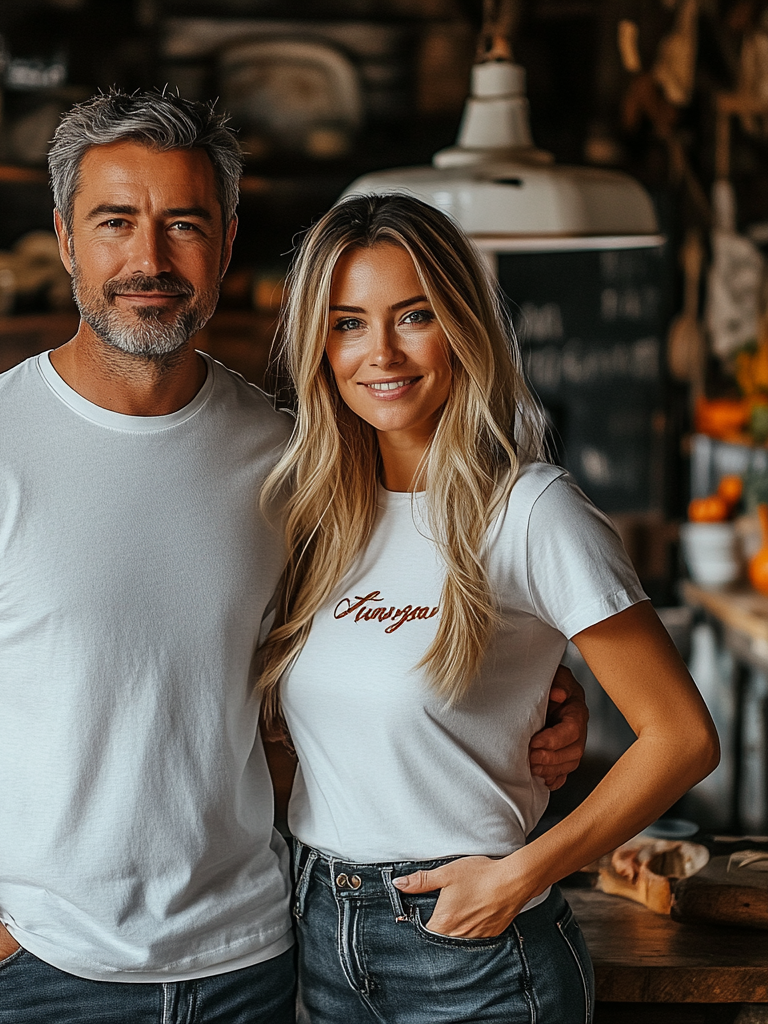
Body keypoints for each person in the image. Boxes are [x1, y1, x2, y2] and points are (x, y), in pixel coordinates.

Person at [0, 92, 589, 1024]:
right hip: (41, 970)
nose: (148, 261)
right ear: (66, 239)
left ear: (226, 243)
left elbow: (396, 616)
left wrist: (538, 695)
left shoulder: (295, 452)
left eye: (181, 225)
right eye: (116, 223)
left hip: (257, 959)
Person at [256, 193, 720, 1024]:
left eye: (415, 315)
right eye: (348, 322)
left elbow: (682, 738)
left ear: (463, 325)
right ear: (319, 346)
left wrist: (523, 874)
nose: (381, 352)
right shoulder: (318, 514)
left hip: (474, 953)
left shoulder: (533, 510)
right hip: (320, 931)